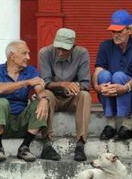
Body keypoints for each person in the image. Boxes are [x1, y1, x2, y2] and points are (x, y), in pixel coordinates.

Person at [0, 40, 49, 162]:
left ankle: (25, 147)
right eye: (24, 53)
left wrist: (44, 99)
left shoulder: (31, 70)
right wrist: (27, 82)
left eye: (28, 54)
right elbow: (0, 89)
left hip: (19, 124)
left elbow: (39, 88)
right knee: (1, 102)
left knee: (39, 103)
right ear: (12, 56)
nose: (28, 57)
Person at [92, 9, 132, 140]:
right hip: (111, 92)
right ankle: (110, 124)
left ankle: (127, 124)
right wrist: (97, 87)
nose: (116, 35)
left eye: (120, 31)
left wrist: (126, 88)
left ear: (130, 30)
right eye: (113, 31)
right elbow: (98, 71)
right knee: (104, 76)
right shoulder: (105, 45)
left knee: (118, 76)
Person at [39, 28, 92, 161]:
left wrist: (75, 86)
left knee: (85, 96)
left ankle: (80, 143)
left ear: (73, 47)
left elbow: (85, 83)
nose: (61, 52)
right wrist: (62, 84)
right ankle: (46, 144)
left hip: (72, 97)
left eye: (65, 49)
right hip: (53, 96)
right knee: (45, 95)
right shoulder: (45, 53)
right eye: (58, 48)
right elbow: (45, 82)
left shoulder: (82, 53)